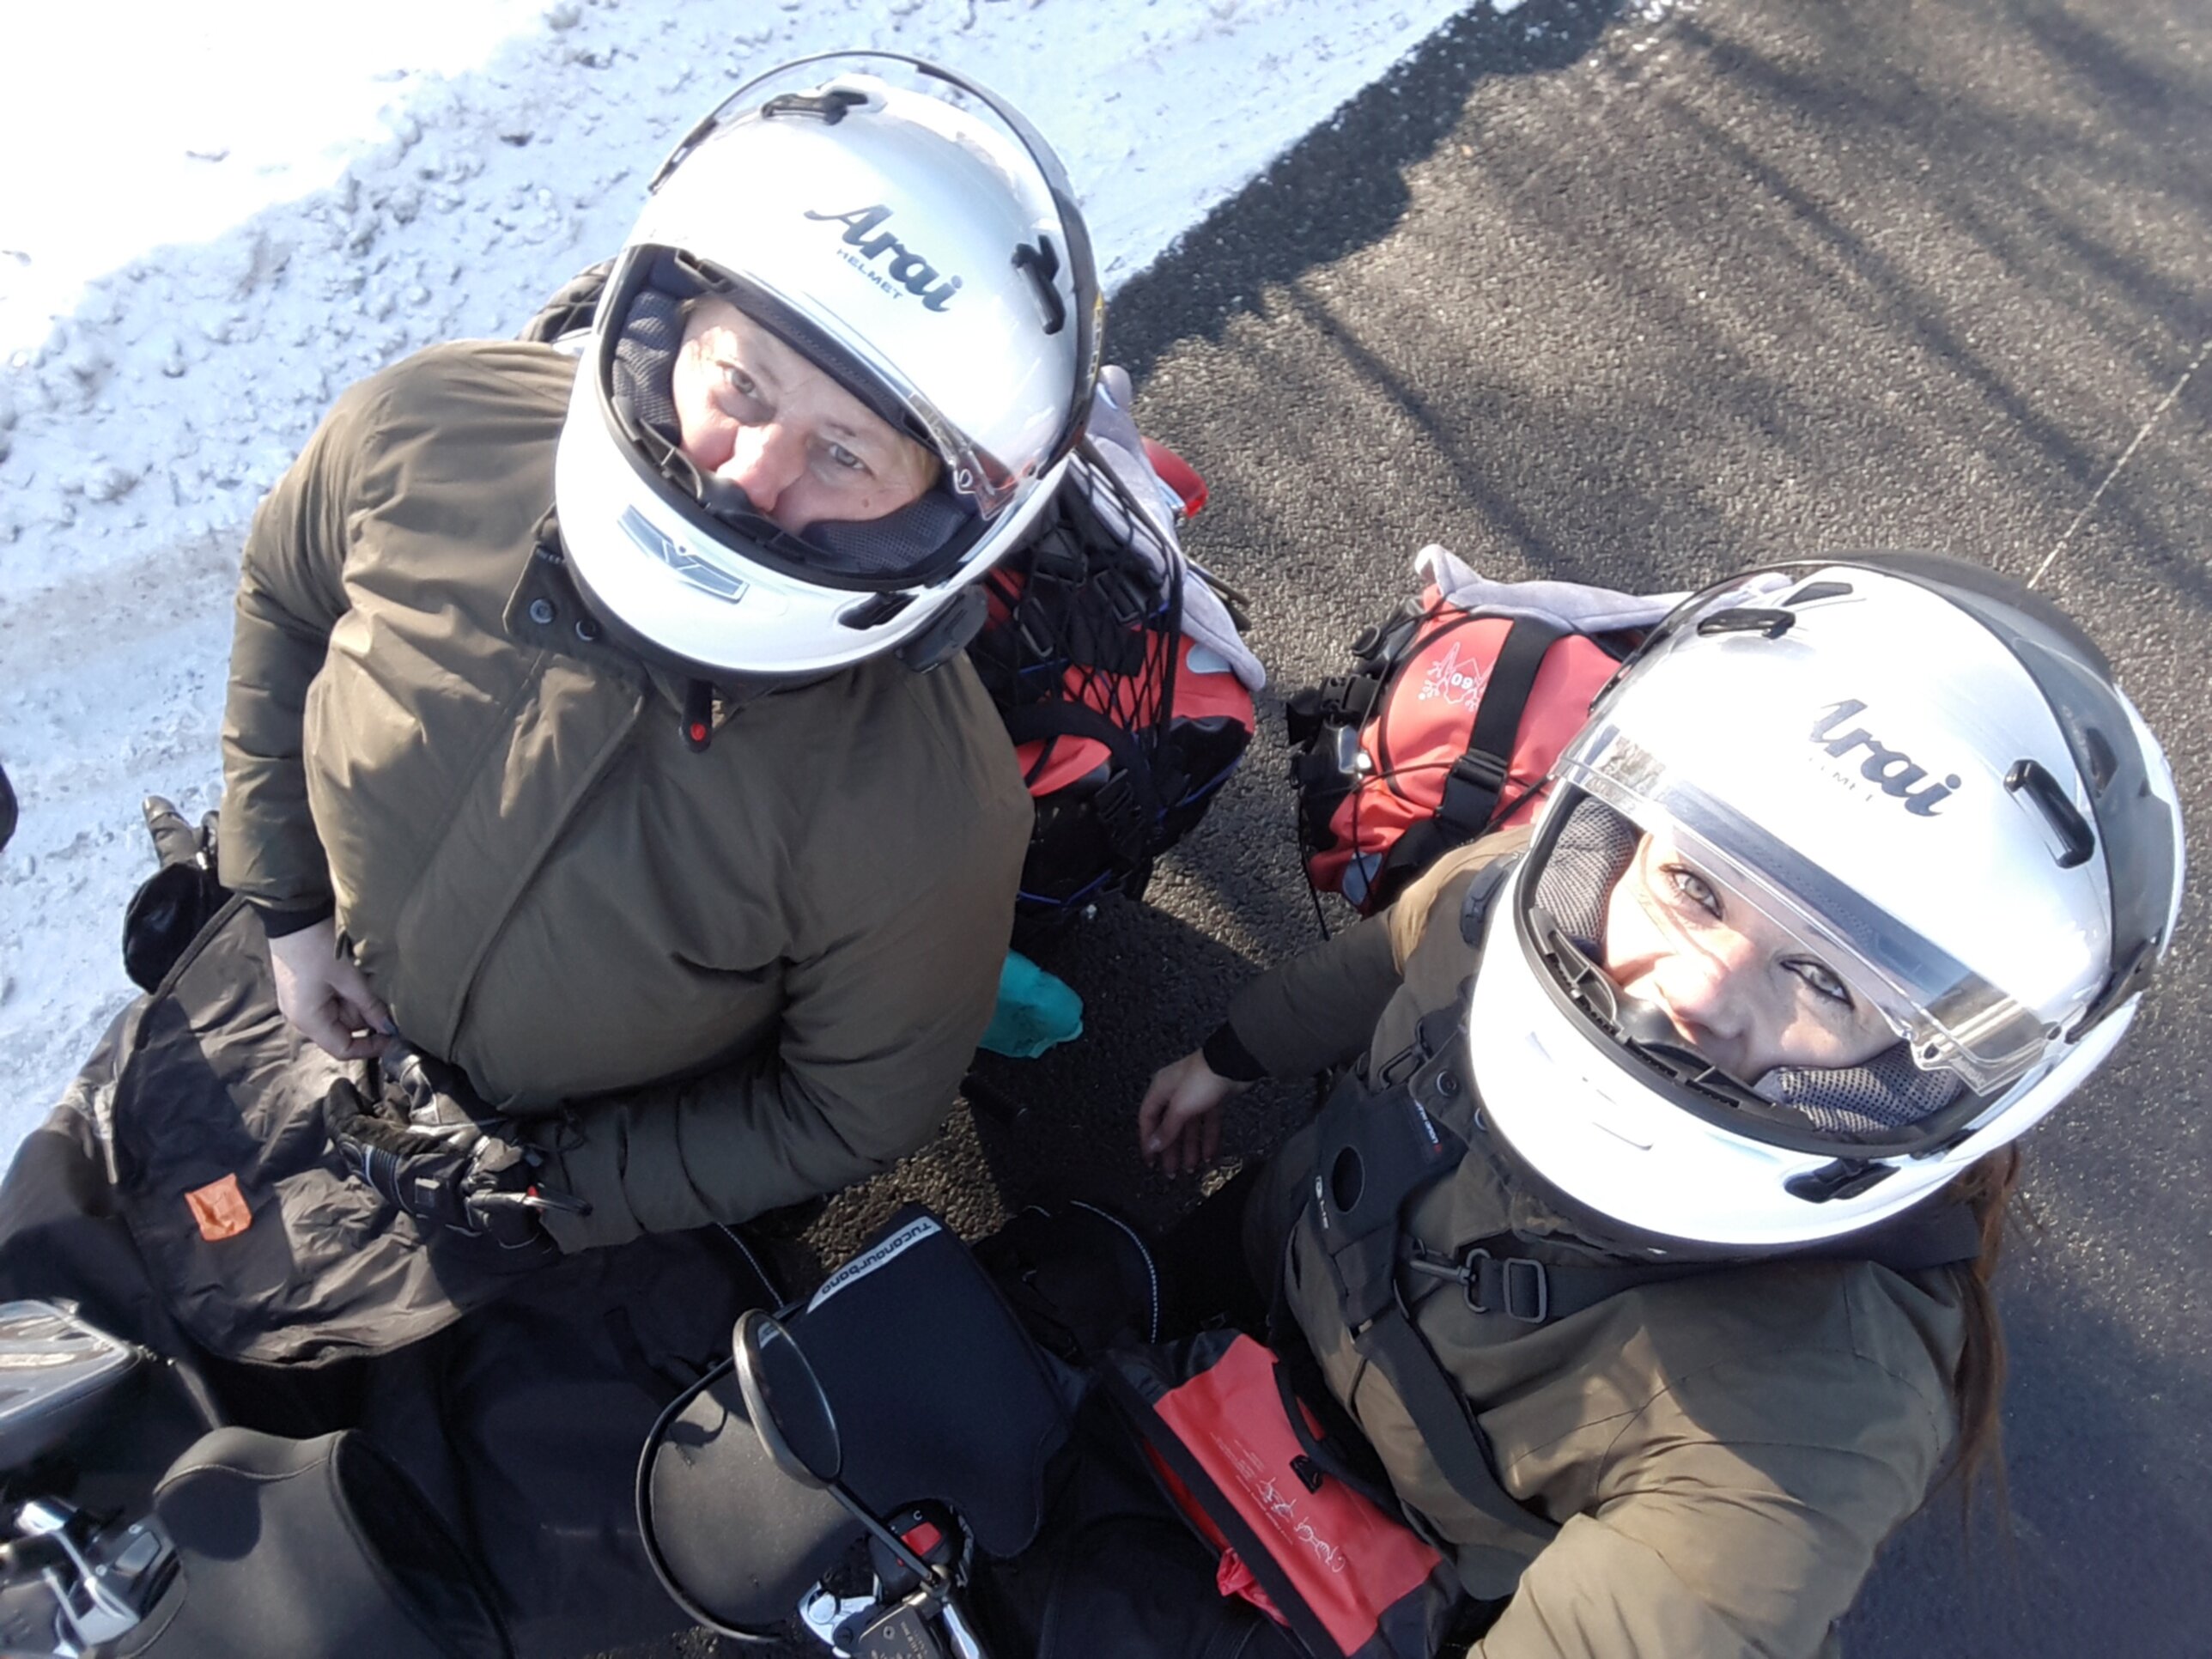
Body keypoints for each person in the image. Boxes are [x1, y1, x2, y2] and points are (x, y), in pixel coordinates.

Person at [1139, 555, 2184, 1655]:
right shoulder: (1534, 900)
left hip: (1393, 1561)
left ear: (1921, 1065)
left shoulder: (1815, 1415)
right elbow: (1394, 949)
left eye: (1824, 981)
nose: (1694, 993)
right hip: (1270, 1259)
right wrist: (1229, 1055)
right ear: (1615, 834)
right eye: (1695, 889)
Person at [218, 57, 1103, 1251]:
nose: (750, 473)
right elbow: (285, 599)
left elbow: (847, 1108)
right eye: (740, 382)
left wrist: (563, 1190)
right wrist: (284, 903)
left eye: (845, 454)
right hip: (316, 979)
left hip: (569, 1168)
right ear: (664, 325)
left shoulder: (931, 813)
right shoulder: (429, 428)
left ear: (936, 513)